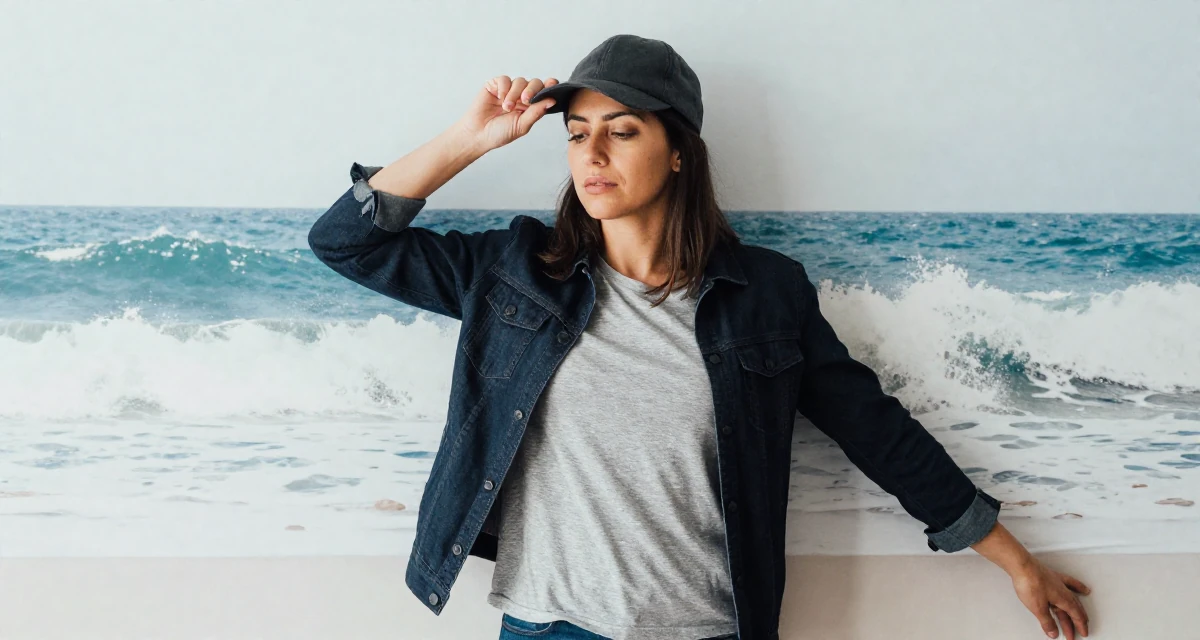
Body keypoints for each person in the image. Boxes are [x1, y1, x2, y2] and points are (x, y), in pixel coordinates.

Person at [308, 34, 1092, 640]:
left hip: (704, 626)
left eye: (622, 130)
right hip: (548, 623)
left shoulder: (766, 295)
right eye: (577, 134)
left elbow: (875, 430)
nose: (594, 153)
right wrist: (469, 139)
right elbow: (346, 242)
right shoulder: (517, 271)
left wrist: (1014, 559)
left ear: (678, 150)